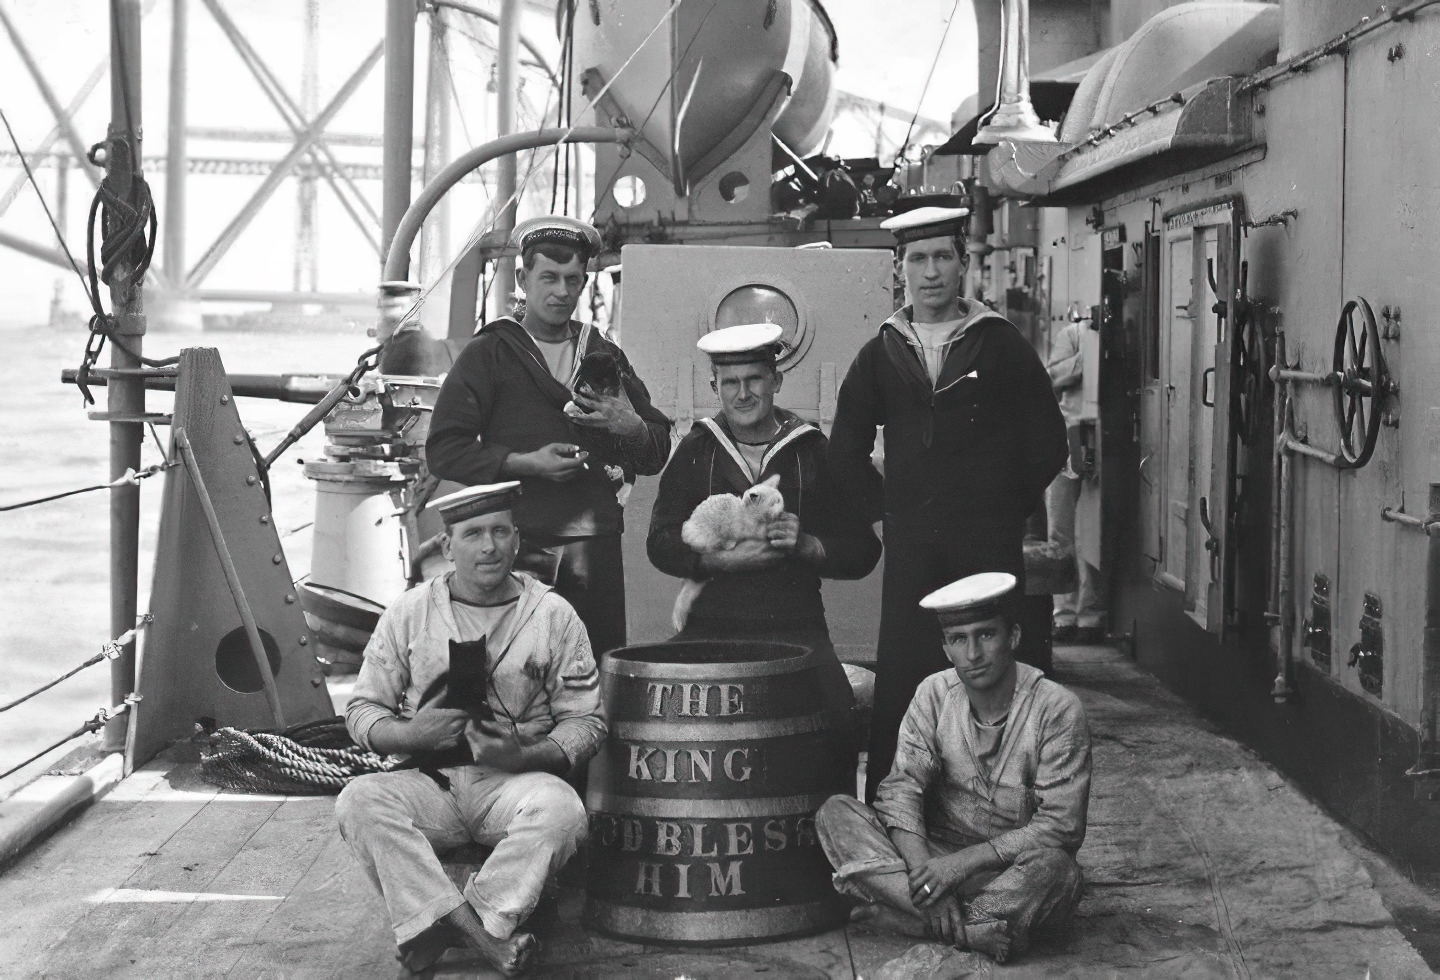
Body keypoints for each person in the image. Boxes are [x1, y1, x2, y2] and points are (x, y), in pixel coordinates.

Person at [827, 206, 1069, 800]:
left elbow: (1048, 442)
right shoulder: (881, 353)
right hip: (914, 551)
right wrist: (888, 510)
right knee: (911, 674)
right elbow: (844, 451)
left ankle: (1003, 807)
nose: (930, 271)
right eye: (917, 259)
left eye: (942, 257)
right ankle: (896, 811)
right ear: (899, 268)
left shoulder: (1002, 345)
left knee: (991, 673)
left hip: (987, 547)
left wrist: (998, 506)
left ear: (964, 264)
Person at [336, 482, 606, 978]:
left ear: (517, 540)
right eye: (473, 534)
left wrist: (525, 754)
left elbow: (587, 721)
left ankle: (444, 927)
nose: (489, 546)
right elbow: (362, 710)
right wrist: (411, 735)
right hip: (430, 783)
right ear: (446, 546)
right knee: (359, 800)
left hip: (512, 784)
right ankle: (484, 937)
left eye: (500, 531)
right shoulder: (412, 610)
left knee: (564, 811)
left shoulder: (552, 614)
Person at [426, 215, 673, 657]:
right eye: (549, 278)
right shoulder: (491, 353)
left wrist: (629, 425)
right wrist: (525, 463)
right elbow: (444, 450)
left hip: (593, 548)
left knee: (592, 668)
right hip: (515, 544)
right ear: (522, 278)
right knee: (514, 669)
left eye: (573, 280)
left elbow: (656, 450)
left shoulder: (601, 353)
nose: (562, 292)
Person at [814, 572, 1090, 964]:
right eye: (959, 639)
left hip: (1005, 870)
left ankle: (909, 918)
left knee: (1058, 871)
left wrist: (959, 867)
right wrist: (931, 877)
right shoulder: (934, 693)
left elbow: (1062, 826)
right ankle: (971, 927)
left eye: (986, 635)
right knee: (836, 814)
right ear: (946, 648)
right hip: (931, 858)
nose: (973, 654)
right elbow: (901, 792)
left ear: (1013, 636)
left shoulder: (1056, 709)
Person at [647, 323, 882, 665]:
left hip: (797, 629)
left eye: (754, 379)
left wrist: (809, 546)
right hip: (711, 628)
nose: (743, 394)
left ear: (775, 381)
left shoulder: (812, 449)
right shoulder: (697, 448)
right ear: (716, 388)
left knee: (830, 713)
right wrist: (717, 560)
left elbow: (865, 550)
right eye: (730, 382)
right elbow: (659, 542)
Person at [1045, 305, 1105, 644]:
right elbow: (1053, 378)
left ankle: (1090, 615)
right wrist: (1086, 359)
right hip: (1068, 437)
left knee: (1091, 532)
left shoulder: (1109, 339)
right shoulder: (1072, 335)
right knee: (1061, 529)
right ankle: (1063, 615)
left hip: (1099, 436)